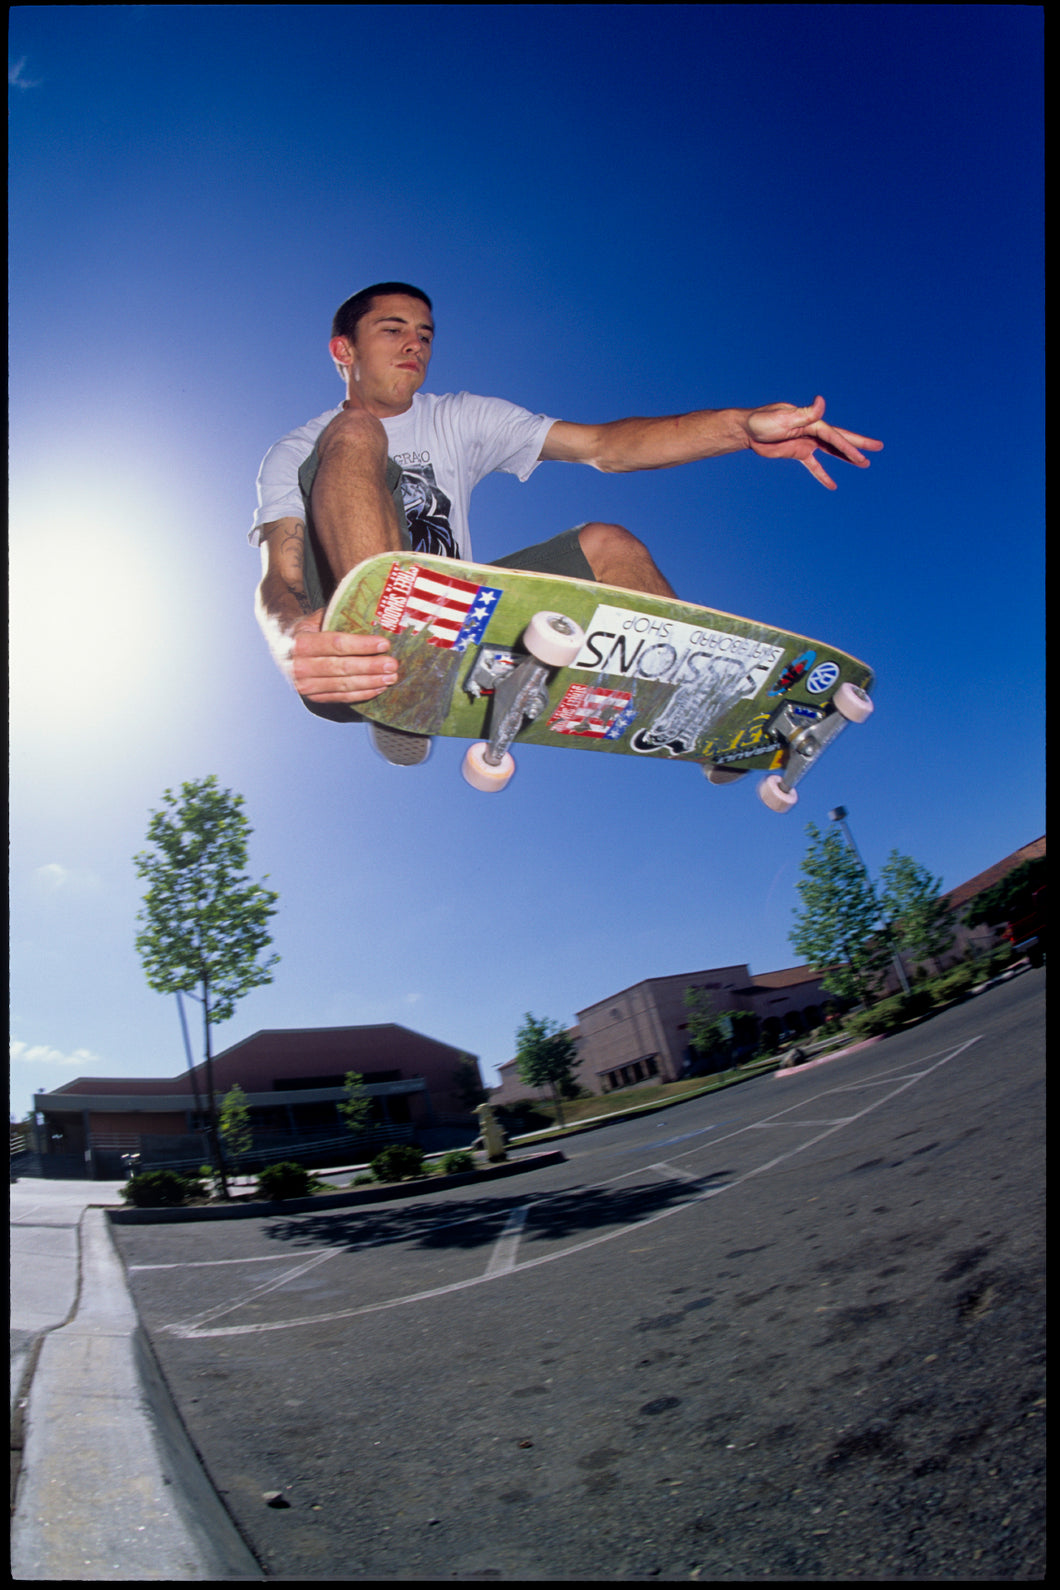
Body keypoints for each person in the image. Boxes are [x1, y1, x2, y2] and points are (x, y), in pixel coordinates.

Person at [252, 281, 882, 755]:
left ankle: (697, 702)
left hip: (461, 622)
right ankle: (399, 673)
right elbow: (278, 578)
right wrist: (289, 645)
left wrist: (742, 428)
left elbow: (604, 446)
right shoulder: (295, 447)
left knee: (608, 544)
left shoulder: (460, 417)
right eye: (393, 330)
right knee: (356, 431)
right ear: (345, 349)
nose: (416, 343)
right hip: (345, 643)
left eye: (426, 333)